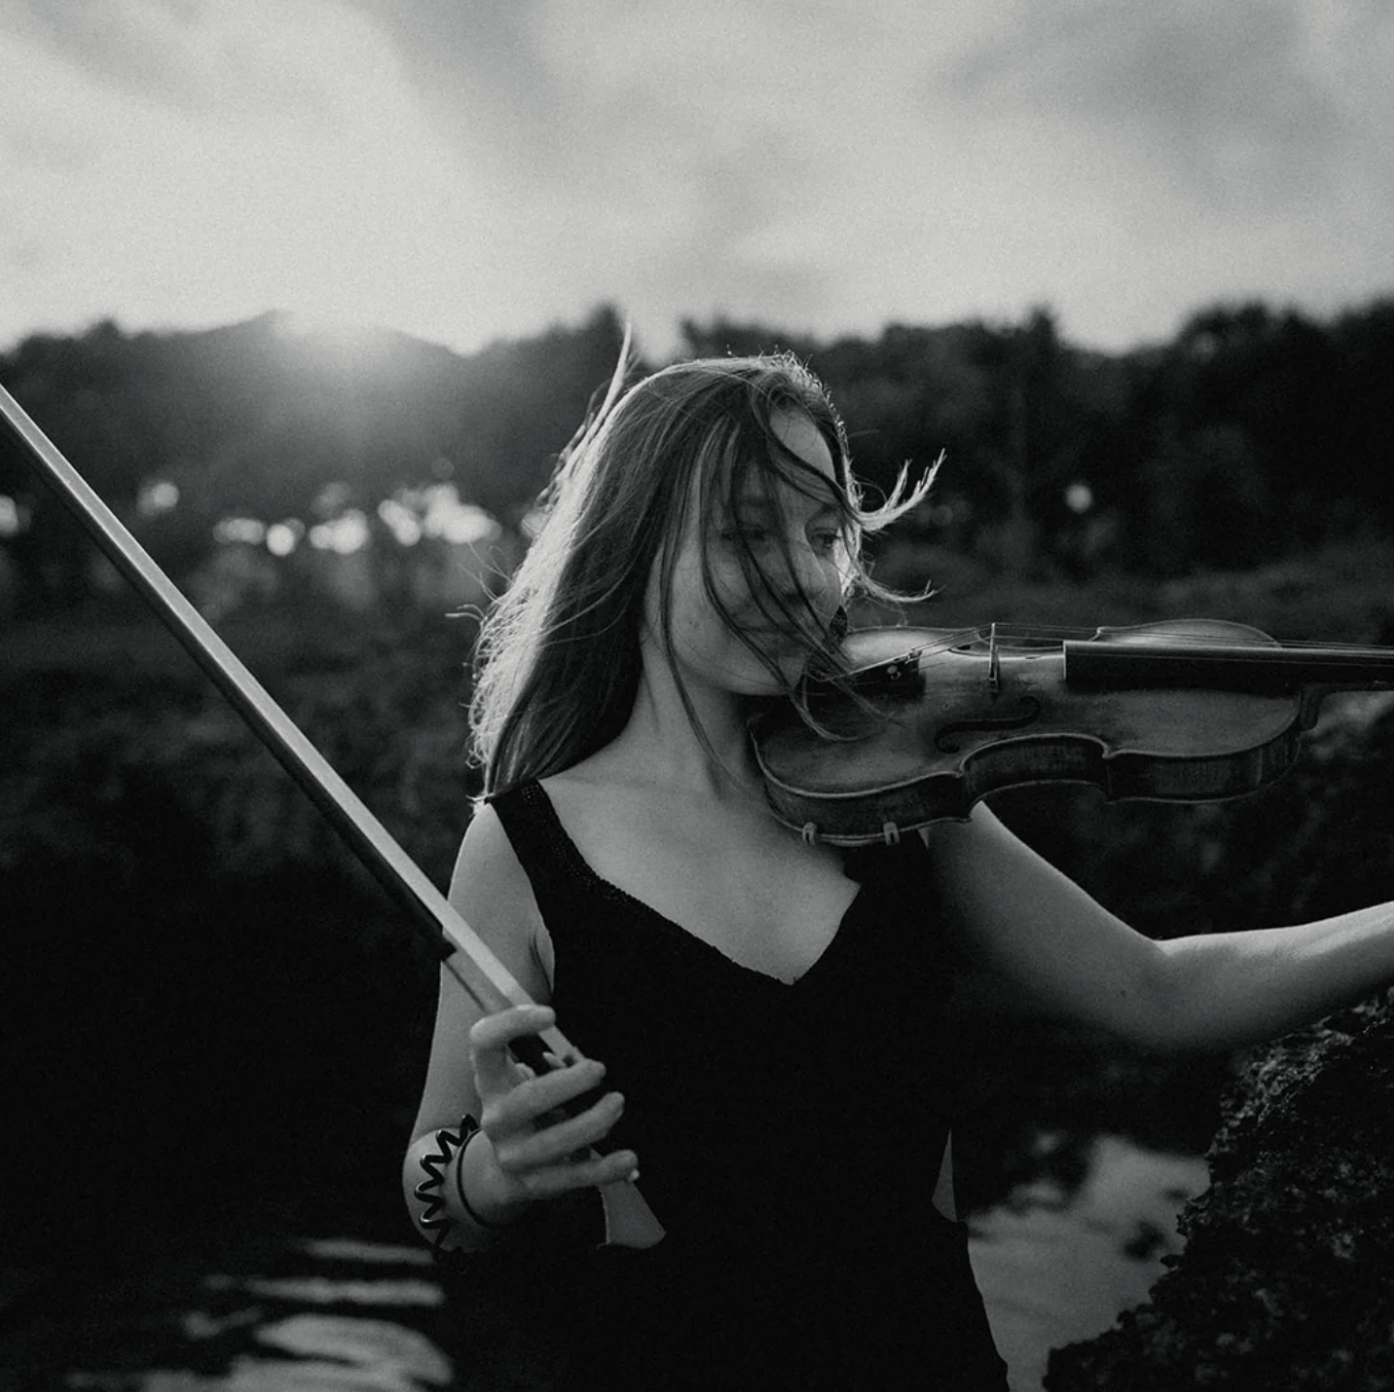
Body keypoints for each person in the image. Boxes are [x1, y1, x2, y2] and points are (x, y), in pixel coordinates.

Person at [403, 352, 1394, 1391]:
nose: (802, 574)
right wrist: (489, 1176)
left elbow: (1159, 990)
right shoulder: (523, 843)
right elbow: (435, 1185)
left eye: (823, 533)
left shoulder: (895, 794)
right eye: (746, 532)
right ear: (632, 541)